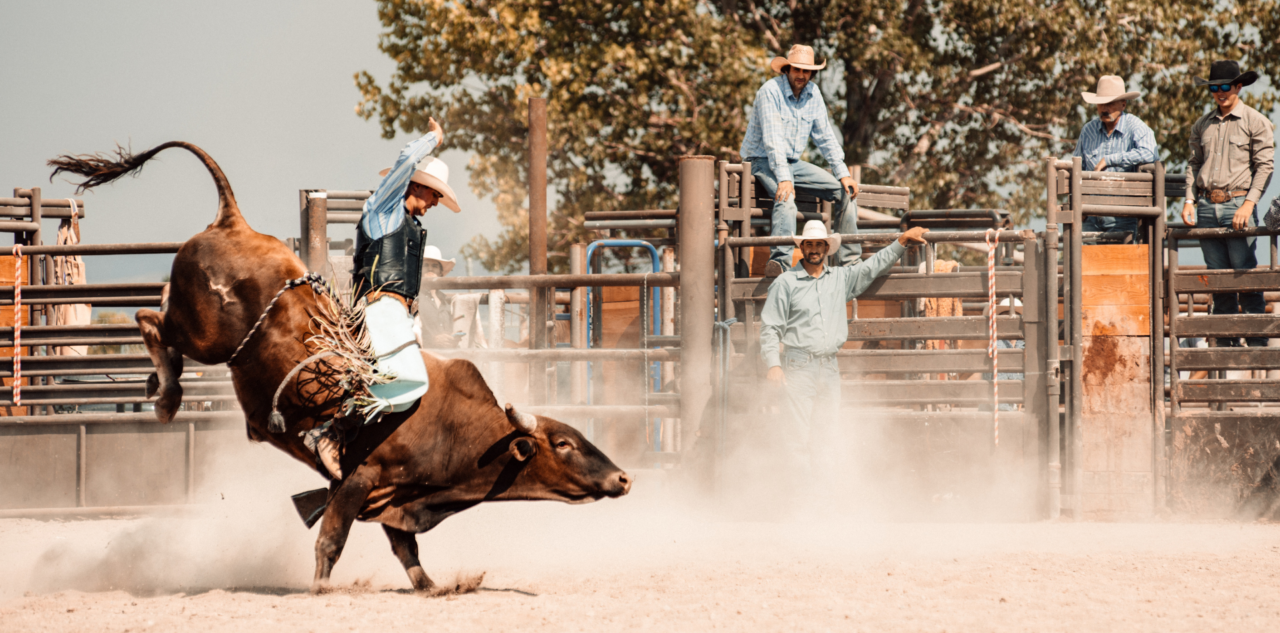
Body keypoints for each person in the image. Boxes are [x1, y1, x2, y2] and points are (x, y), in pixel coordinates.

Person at [309, 117, 462, 479]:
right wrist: (433, 139)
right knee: (413, 380)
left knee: (415, 390)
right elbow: (406, 161)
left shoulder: (403, 221)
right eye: (435, 193)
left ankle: (358, 454)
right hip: (379, 309)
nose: (436, 202)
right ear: (417, 185)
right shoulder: (384, 209)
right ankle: (333, 432)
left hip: (396, 315)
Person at [760, 221, 928, 479]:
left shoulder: (839, 278)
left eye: (819, 244)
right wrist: (773, 364)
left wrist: (901, 241)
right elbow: (770, 327)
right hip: (798, 366)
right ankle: (802, 503)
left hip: (828, 366)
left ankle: (822, 499)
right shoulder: (786, 283)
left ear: (827, 248)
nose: (814, 249)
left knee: (827, 434)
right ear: (802, 247)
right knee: (797, 436)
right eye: (809, 244)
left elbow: (872, 267)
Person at [740, 44, 861, 276]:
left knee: (845, 192)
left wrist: (843, 173)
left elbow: (825, 136)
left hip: (792, 163)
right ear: (787, 69)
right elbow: (773, 140)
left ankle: (850, 262)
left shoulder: (813, 94)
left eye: (806, 71)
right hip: (762, 159)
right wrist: (784, 179)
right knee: (786, 198)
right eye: (797, 69)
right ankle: (780, 264)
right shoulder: (770, 91)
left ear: (812, 73)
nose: (801, 75)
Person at [1180, 61, 1276, 348]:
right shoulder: (1202, 124)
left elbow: (1265, 166)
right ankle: (1225, 344)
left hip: (1238, 203)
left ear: (1238, 86)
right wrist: (1189, 199)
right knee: (1217, 277)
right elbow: (1194, 164)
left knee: (1243, 273)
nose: (1220, 93)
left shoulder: (1256, 121)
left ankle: (1257, 343)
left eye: (1225, 87)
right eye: (1214, 88)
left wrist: (1248, 204)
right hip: (1207, 206)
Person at [1072, 75, 1159, 239]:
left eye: (1110, 103)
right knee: (1086, 263)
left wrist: (1110, 159)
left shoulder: (1135, 126)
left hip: (1123, 214)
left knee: (1120, 262)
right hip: (1090, 215)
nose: (1104, 108)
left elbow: (1151, 153)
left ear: (1123, 104)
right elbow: (1077, 167)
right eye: (1101, 103)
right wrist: (1078, 204)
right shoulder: (1088, 130)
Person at [415, 245, 459, 349]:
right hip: (425, 356)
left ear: (440, 272)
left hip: (446, 356)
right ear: (419, 270)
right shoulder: (414, 298)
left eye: (435, 266)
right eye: (425, 265)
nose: (430, 268)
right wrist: (432, 341)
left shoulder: (445, 301)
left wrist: (453, 338)